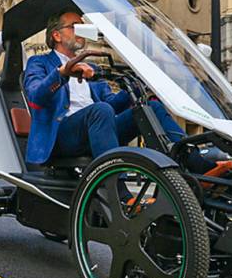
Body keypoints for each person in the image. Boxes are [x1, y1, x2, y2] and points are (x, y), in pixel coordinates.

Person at [23, 10, 208, 170]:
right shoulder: (39, 63)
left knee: (151, 108)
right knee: (100, 110)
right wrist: (62, 73)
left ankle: (199, 168)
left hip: (98, 128)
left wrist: (138, 84)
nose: (81, 31)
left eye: (82, 26)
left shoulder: (92, 68)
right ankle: (118, 188)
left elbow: (113, 105)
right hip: (61, 137)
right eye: (74, 26)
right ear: (57, 35)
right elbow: (35, 97)